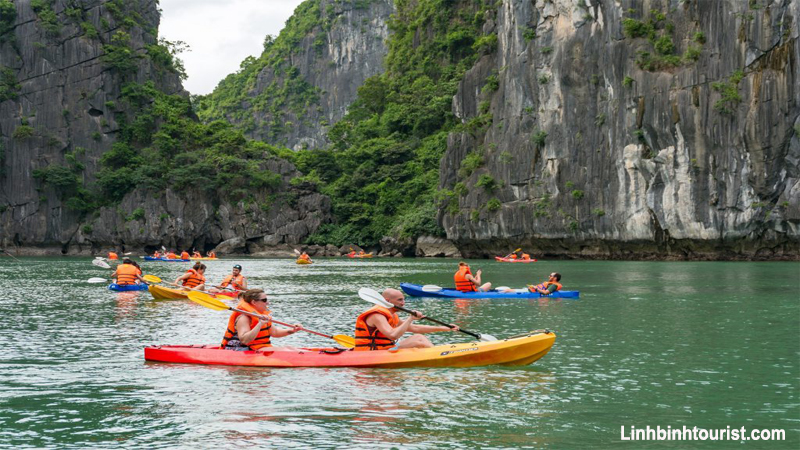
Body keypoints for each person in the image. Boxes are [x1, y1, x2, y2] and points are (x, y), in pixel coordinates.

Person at [354, 288, 458, 351]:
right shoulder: (377, 315)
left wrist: (445, 328)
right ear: (387, 301)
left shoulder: (392, 315)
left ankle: (435, 352)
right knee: (418, 342)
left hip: (386, 348)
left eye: (404, 299)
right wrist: (410, 318)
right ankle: (437, 355)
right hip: (373, 352)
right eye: (400, 300)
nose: (403, 303)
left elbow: (415, 328)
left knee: (419, 336)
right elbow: (392, 335)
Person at [220, 289, 303, 351]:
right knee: (285, 350)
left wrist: (293, 330)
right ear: (254, 302)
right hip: (244, 349)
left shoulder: (261, 315)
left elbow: (275, 332)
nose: (267, 303)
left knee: (290, 348)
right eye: (264, 300)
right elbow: (244, 340)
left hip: (260, 347)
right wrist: (259, 324)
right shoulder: (244, 318)